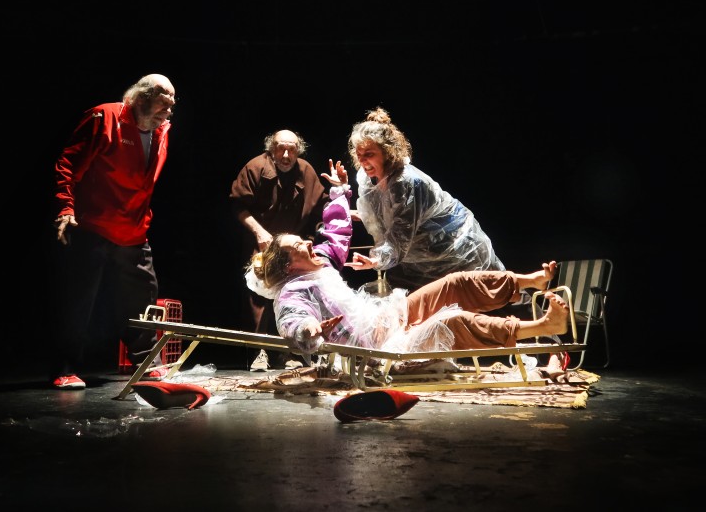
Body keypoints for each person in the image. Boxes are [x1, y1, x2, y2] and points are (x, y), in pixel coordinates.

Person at [245, 160, 570, 374]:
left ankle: (529, 281)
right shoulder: (292, 290)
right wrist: (308, 330)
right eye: (298, 247)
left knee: (453, 283)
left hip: (384, 319)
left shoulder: (321, 262)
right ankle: (543, 326)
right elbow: (291, 319)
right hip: (377, 351)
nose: (307, 244)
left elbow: (336, 230)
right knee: (452, 322)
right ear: (289, 267)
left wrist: (340, 191)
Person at [49, 73, 177, 389]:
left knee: (143, 296)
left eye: (172, 104)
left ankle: (146, 363)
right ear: (142, 97)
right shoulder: (104, 117)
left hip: (134, 228)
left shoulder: (162, 130)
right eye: (164, 102)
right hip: (93, 224)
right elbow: (68, 164)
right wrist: (66, 208)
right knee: (79, 299)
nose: (169, 110)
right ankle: (65, 367)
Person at [346, 107, 505, 292]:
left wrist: (376, 260)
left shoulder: (405, 183)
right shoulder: (369, 180)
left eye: (369, 154)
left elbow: (401, 233)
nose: (362, 161)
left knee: (487, 294)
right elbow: (381, 216)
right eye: (359, 155)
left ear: (387, 151)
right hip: (421, 257)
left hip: (454, 250)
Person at [230, 129, 329, 371]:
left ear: (298, 151)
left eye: (291, 149)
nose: (286, 155)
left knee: (298, 295)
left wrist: (343, 214)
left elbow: (322, 206)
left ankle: (293, 352)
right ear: (271, 149)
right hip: (263, 244)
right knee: (259, 297)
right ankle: (258, 352)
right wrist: (259, 232)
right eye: (280, 148)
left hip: (294, 246)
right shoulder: (255, 167)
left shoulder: (305, 170)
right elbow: (238, 206)